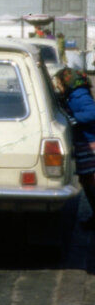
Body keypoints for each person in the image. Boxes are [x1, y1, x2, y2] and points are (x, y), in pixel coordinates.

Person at [56, 68, 95, 227]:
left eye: (59, 83)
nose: (58, 86)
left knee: (89, 181)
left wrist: (72, 118)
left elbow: (93, 113)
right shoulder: (72, 95)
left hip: (90, 143)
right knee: (86, 180)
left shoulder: (79, 95)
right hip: (83, 142)